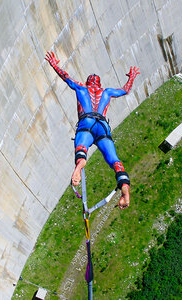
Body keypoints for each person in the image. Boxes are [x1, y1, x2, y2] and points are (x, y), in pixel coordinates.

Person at [45, 51, 140, 209]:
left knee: (81, 148)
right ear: (99, 84)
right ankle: (125, 192)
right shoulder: (107, 92)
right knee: (114, 161)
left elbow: (65, 77)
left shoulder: (82, 88)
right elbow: (125, 90)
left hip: (87, 122)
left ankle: (80, 163)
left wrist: (54, 64)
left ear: (88, 82)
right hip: (102, 126)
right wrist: (132, 77)